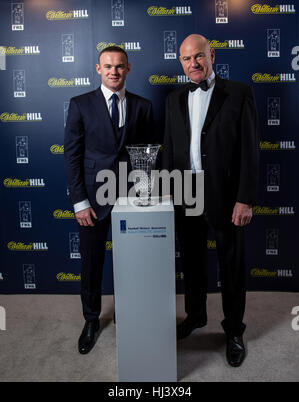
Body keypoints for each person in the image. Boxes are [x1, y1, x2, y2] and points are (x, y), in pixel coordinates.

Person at [163, 34, 259, 367]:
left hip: (226, 196)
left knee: (230, 267)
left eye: (199, 57)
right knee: (191, 263)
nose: (194, 64)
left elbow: (250, 150)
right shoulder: (173, 99)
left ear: (212, 55)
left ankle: (234, 330)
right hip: (185, 192)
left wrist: (245, 199)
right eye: (187, 59)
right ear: (181, 63)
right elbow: (169, 150)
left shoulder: (239, 93)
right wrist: (166, 194)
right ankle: (195, 316)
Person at [64, 46, 154, 354]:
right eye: (108, 66)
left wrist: (147, 196)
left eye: (119, 66)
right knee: (91, 264)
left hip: (132, 198)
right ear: (98, 69)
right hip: (92, 199)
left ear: (128, 68)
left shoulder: (144, 106)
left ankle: (130, 315)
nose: (114, 71)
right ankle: (91, 319)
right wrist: (79, 202)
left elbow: (147, 156)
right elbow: (72, 156)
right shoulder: (80, 104)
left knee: (133, 263)